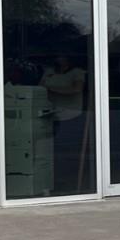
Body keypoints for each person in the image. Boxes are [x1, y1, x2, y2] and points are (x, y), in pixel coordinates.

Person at [39, 54, 88, 194]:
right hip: (50, 114)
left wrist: (53, 90)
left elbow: (76, 89)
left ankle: (69, 181)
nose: (59, 58)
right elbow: (40, 87)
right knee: (48, 149)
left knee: (66, 149)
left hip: (71, 114)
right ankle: (49, 181)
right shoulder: (49, 71)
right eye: (58, 56)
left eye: (62, 56)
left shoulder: (77, 72)